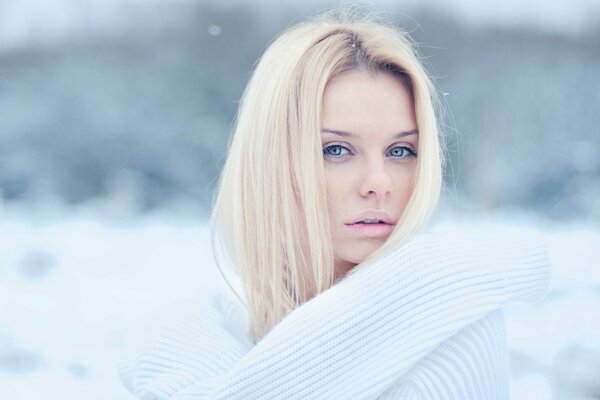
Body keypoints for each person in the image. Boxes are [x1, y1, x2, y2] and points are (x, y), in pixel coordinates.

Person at [119, 9, 552, 400]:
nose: (379, 183)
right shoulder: (191, 337)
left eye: (400, 152)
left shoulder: (454, 330)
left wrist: (438, 281)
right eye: (337, 150)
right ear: (271, 160)